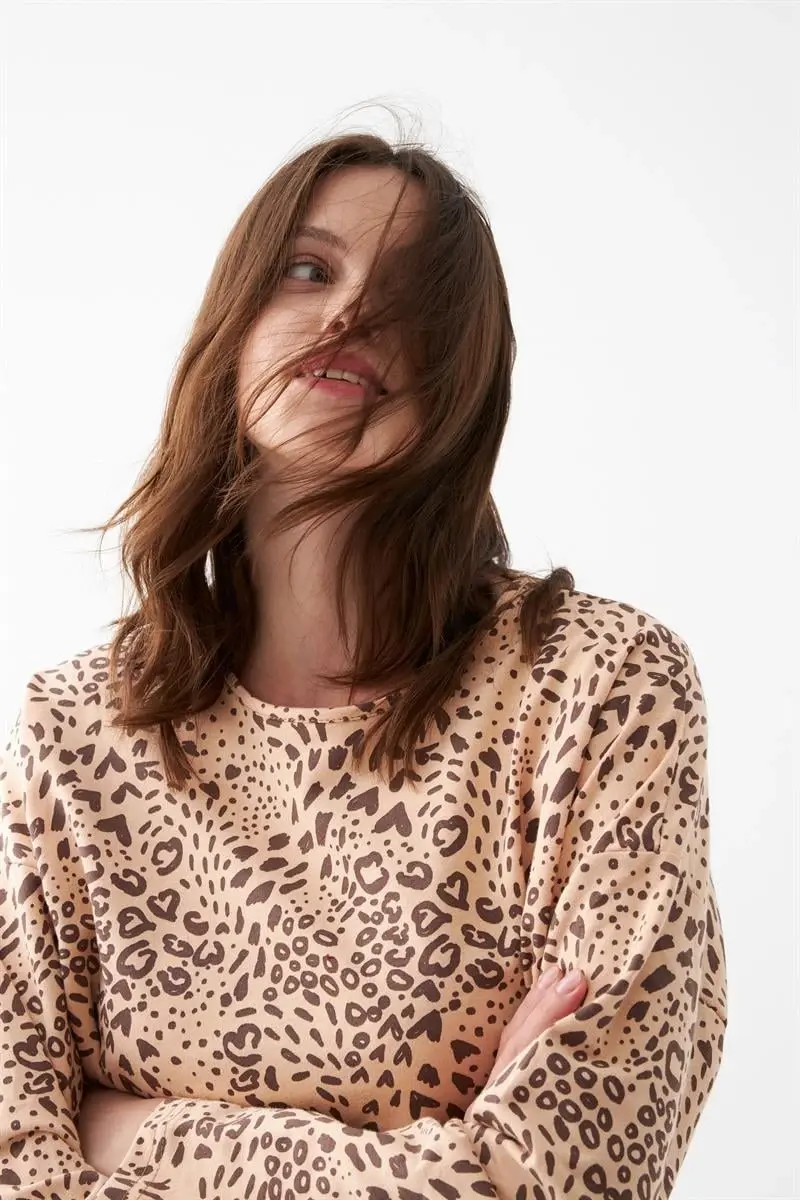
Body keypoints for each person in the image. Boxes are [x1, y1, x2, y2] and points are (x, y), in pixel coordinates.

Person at [0, 125, 727, 1199]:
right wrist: (442, 1147)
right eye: (309, 268)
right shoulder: (76, 734)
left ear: (463, 378)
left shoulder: (595, 689)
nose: (351, 313)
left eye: (412, 299)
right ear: (234, 321)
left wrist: (131, 1132)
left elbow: (569, 1179)